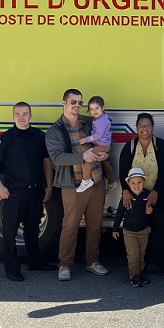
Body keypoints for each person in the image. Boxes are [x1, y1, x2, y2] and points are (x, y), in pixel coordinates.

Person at [0, 102, 56, 282]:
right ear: (13, 117)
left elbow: (46, 162)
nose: (21, 117)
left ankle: (35, 262)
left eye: (25, 114)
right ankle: (12, 269)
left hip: (34, 191)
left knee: (32, 231)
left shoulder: (39, 137)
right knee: (10, 233)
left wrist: (48, 186)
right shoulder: (5, 139)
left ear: (30, 116)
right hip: (14, 193)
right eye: (18, 114)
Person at [46, 89, 109, 281]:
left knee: (95, 225)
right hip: (72, 185)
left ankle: (92, 262)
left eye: (79, 103)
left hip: (97, 181)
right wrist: (83, 156)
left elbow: (104, 138)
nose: (76, 106)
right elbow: (57, 157)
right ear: (63, 103)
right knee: (70, 226)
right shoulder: (55, 131)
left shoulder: (90, 122)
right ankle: (65, 264)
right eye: (73, 102)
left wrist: (104, 154)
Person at [119, 112, 164, 279]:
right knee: (142, 233)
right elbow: (123, 172)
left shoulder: (161, 145)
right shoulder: (129, 147)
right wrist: (125, 191)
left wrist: (155, 191)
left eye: (147, 125)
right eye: (141, 126)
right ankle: (142, 267)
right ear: (136, 128)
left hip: (159, 196)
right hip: (137, 199)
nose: (144, 129)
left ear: (152, 127)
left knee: (160, 232)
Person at [112, 167, 153, 288]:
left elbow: (153, 214)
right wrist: (115, 228)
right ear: (128, 184)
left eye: (139, 182)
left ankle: (140, 273)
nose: (136, 186)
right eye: (133, 183)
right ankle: (134, 275)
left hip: (144, 230)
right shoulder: (126, 197)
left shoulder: (147, 195)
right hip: (129, 230)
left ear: (144, 182)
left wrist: (150, 211)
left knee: (141, 254)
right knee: (133, 254)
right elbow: (119, 213)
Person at [77, 96, 112, 193]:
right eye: (91, 109)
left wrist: (85, 140)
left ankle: (86, 180)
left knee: (87, 156)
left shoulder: (102, 121)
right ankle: (112, 182)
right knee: (105, 163)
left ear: (102, 108)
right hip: (101, 145)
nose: (94, 111)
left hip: (102, 145)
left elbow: (98, 135)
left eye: (96, 108)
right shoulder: (99, 119)